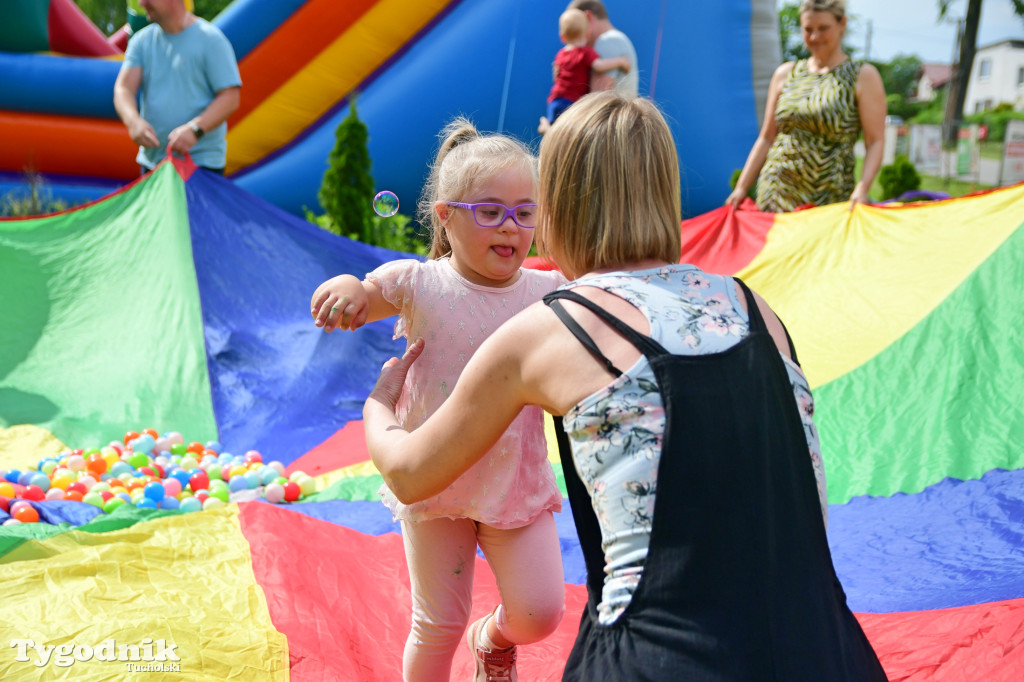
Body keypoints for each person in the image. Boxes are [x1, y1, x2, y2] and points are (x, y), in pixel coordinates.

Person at [363, 91, 888, 681]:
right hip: (826, 650)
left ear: (556, 205)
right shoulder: (757, 309)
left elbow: (409, 475)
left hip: (658, 660)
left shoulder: (550, 329)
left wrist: (378, 408)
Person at [310, 119, 567, 682]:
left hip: (513, 479)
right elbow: (371, 292)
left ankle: (493, 637)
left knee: (540, 612)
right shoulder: (420, 281)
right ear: (446, 217)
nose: (511, 226)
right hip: (434, 482)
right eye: (491, 211)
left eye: (525, 213)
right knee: (436, 626)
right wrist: (351, 290)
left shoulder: (546, 291)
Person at [726, 0, 885, 212]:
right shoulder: (786, 73)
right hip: (777, 191)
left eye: (823, 28)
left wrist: (863, 188)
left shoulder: (862, 76)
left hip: (828, 195)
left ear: (842, 24)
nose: (814, 37)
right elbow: (767, 137)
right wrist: (741, 188)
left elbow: (875, 141)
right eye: (808, 29)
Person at [113, 0, 241, 174]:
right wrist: (133, 122)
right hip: (153, 165)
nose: (142, 3)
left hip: (201, 166)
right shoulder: (142, 42)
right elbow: (124, 89)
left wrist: (195, 130)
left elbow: (230, 97)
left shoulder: (211, 40)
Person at [538, 8, 631, 134]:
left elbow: (556, 77)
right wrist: (620, 61)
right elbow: (599, 66)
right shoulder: (585, 52)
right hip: (571, 103)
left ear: (562, 37)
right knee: (567, 134)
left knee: (557, 128)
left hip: (556, 100)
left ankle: (547, 125)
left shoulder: (561, 54)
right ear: (587, 34)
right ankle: (547, 129)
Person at [568, 0, 638, 98]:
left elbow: (596, 101)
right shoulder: (615, 39)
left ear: (588, 17)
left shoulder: (607, 41)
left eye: (575, 28)